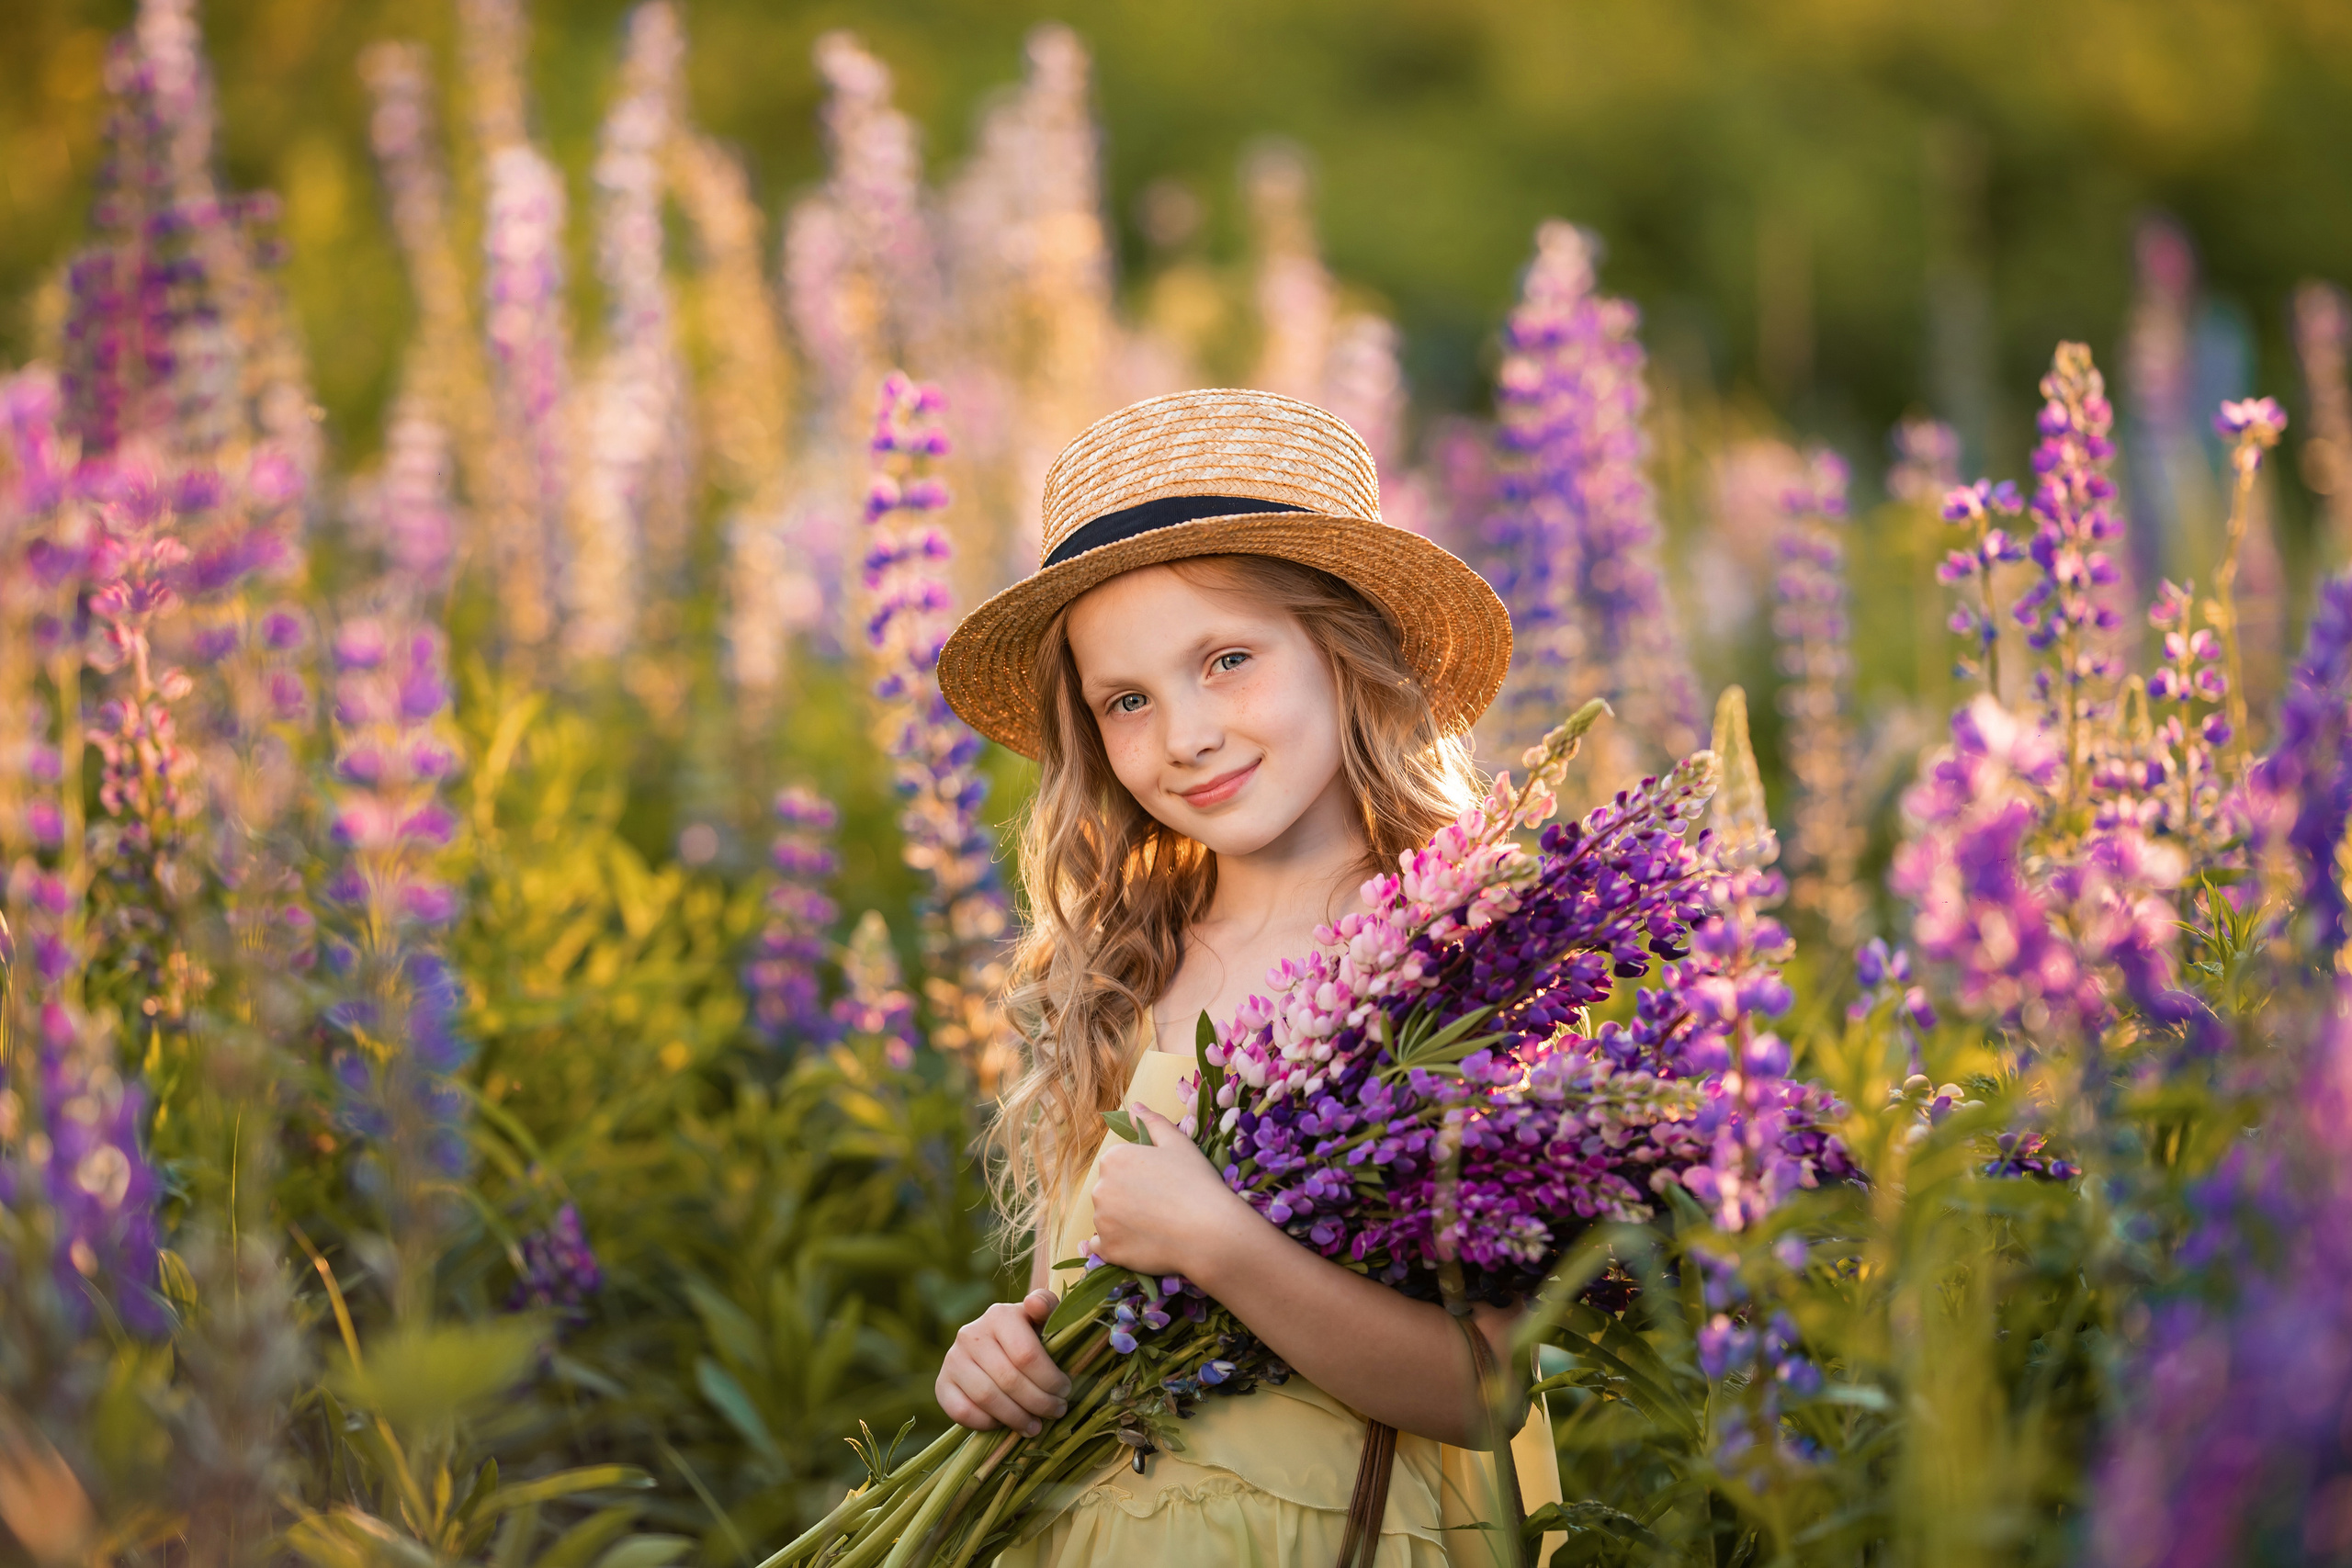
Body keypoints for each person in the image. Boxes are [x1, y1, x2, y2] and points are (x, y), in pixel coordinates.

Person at [933, 389, 1562, 1565]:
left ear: (1346, 651)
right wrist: (999, 1355)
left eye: (1226, 660)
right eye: (1127, 701)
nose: (1184, 736)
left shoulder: (1453, 962)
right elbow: (1064, 1306)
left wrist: (1222, 1247)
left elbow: (1486, 1386)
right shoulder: (1121, 975)